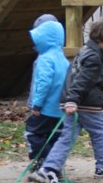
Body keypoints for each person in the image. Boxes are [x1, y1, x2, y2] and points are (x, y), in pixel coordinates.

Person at [29, 18, 103, 182]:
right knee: (101, 134)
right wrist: (73, 100)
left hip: (73, 102)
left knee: (67, 137)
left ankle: (49, 169)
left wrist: (69, 100)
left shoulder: (85, 49)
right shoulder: (94, 57)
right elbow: (82, 80)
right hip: (86, 104)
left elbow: (73, 76)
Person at [25, 18, 69, 171]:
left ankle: (44, 162)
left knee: (32, 133)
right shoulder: (63, 58)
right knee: (54, 137)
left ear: (43, 39)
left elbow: (43, 84)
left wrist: (37, 104)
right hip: (60, 110)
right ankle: (55, 165)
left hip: (45, 109)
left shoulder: (45, 59)